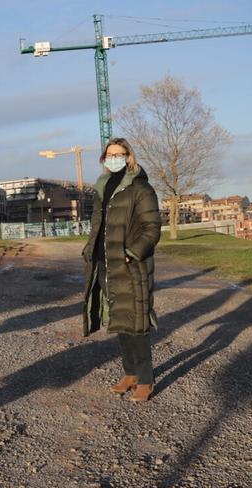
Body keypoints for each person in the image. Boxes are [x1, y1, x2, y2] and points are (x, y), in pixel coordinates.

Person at [82, 137, 162, 402]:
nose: (114, 158)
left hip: (130, 264)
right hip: (106, 262)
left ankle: (146, 380)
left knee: (136, 322)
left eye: (119, 153)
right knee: (120, 320)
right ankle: (130, 374)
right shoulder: (102, 187)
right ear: (104, 160)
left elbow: (152, 228)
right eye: (109, 154)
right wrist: (90, 249)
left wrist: (133, 253)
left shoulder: (141, 188)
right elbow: (98, 224)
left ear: (129, 156)